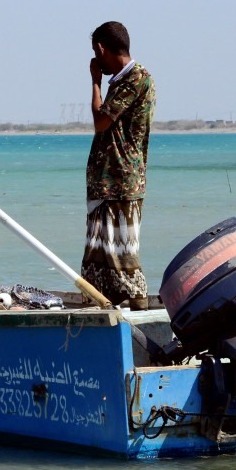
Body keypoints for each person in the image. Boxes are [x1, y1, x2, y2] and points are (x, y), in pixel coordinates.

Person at [81, 21, 155, 310]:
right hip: (110, 180)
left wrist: (95, 82)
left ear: (101, 49)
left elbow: (101, 121)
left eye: (95, 53)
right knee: (103, 249)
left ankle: (135, 300)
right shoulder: (127, 80)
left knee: (121, 249)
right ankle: (104, 300)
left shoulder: (135, 79)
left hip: (120, 180)